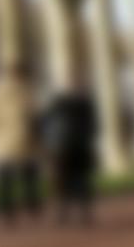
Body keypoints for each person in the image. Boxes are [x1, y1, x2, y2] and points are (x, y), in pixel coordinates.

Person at [0, 62, 41, 227]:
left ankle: (8, 211)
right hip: (21, 137)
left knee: (6, 177)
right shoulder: (27, 90)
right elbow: (34, 114)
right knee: (26, 174)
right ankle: (30, 205)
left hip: (3, 139)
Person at [41, 86, 98, 227]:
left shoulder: (52, 111)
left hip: (61, 149)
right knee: (81, 181)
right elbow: (92, 128)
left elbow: (44, 129)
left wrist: (48, 148)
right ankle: (84, 212)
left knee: (61, 182)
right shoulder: (83, 108)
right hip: (79, 147)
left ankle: (63, 211)